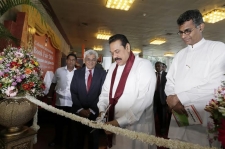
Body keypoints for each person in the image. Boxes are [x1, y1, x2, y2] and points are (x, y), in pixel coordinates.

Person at [165, 9, 225, 147]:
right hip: (179, 119)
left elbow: (217, 85)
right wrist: (171, 98)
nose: (183, 36)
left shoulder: (217, 48)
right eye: (181, 32)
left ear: (201, 27)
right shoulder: (180, 54)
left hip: (203, 120)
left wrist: (180, 98)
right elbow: (170, 81)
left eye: (188, 31)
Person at [97, 34, 156, 149]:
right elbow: (105, 93)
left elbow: (144, 100)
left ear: (127, 47)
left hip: (136, 127)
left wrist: (119, 122)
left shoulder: (143, 65)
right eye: (112, 52)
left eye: (117, 51)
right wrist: (102, 111)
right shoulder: (113, 67)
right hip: (113, 124)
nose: (115, 56)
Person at [70, 50, 106, 149]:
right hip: (78, 113)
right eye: (88, 59)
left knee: (93, 142)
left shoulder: (102, 74)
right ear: (84, 60)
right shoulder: (77, 73)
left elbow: (103, 93)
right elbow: (73, 92)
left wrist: (91, 109)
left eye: (93, 59)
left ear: (97, 61)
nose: (91, 62)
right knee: (77, 141)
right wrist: (80, 109)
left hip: (94, 114)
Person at [47, 53, 77, 147]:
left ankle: (69, 143)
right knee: (58, 124)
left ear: (75, 62)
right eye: (69, 59)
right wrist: (49, 96)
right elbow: (53, 83)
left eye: (73, 60)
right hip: (60, 102)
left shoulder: (78, 73)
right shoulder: (59, 71)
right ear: (66, 60)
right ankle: (57, 141)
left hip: (72, 103)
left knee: (71, 126)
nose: (71, 61)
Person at [153, 61, 168, 136]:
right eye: (156, 66)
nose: (158, 67)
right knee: (153, 114)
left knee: (162, 115)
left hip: (163, 98)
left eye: (159, 66)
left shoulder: (167, 75)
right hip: (153, 98)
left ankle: (162, 130)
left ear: (162, 67)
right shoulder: (153, 75)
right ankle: (153, 130)